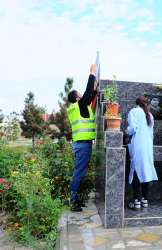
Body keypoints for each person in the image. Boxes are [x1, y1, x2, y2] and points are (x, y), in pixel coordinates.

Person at [66, 64, 98, 212]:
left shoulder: (76, 108)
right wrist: (91, 73)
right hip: (83, 145)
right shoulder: (80, 106)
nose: (82, 96)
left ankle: (74, 199)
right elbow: (88, 93)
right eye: (80, 95)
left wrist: (95, 86)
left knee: (78, 173)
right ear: (78, 98)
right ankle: (71, 201)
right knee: (78, 174)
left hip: (80, 144)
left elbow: (89, 95)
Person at [125, 97, 158, 210]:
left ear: (136, 103)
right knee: (145, 170)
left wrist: (126, 131)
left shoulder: (134, 111)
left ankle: (136, 201)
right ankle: (145, 199)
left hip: (138, 145)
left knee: (136, 171)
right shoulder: (150, 115)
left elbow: (133, 128)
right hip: (148, 146)